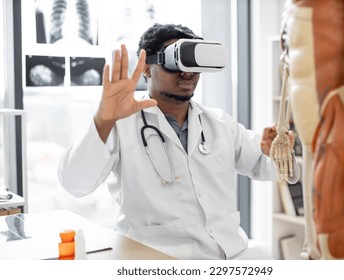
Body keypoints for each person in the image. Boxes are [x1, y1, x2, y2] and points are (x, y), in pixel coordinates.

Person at [58, 23, 300, 260]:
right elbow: (75, 183)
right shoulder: (120, 124)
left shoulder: (219, 123)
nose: (187, 72)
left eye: (193, 62)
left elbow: (270, 167)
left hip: (233, 255)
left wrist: (279, 152)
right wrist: (103, 119)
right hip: (157, 258)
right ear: (146, 68)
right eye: (176, 61)